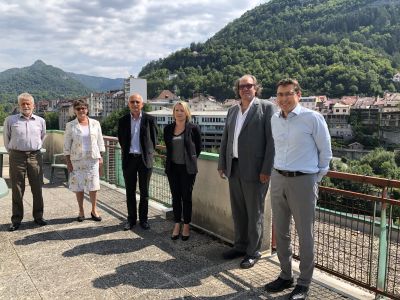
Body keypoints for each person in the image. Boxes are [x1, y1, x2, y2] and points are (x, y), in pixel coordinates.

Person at [264, 78, 332, 300]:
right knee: (280, 231)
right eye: (280, 95)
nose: (283, 99)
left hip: (303, 181)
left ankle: (303, 283)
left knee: (305, 234)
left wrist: (314, 179)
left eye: (288, 94)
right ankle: (285, 275)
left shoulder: (313, 118)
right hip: (278, 177)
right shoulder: (274, 119)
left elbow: (325, 154)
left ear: (298, 94)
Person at [218, 74, 275, 269]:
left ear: (256, 87)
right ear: (238, 89)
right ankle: (240, 246)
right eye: (242, 86)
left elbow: (271, 142)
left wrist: (266, 169)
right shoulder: (233, 110)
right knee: (239, 211)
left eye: (249, 85)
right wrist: (222, 163)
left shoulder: (266, 108)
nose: (245, 89)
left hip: (256, 170)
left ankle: (253, 251)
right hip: (233, 167)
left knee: (254, 212)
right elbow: (225, 139)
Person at [3, 92, 47, 231]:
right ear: (19, 105)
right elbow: (6, 139)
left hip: (35, 156)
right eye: (23, 103)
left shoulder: (40, 121)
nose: (26, 106)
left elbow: (43, 137)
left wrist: (35, 148)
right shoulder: (10, 120)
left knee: (37, 187)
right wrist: (13, 153)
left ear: (33, 106)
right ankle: (16, 220)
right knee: (17, 188)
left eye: (28, 103)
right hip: (17, 156)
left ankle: (38, 217)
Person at [118, 93, 158, 230]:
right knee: (130, 191)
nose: (135, 104)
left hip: (144, 160)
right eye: (132, 102)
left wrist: (148, 154)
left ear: (142, 104)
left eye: (137, 102)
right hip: (129, 160)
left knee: (144, 192)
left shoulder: (150, 119)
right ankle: (131, 220)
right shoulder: (122, 120)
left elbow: (154, 139)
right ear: (128, 104)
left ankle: (144, 220)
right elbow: (121, 139)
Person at [164, 101, 201, 241]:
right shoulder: (168, 129)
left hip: (188, 169)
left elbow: (197, 149)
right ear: (173, 113)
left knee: (186, 197)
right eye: (176, 110)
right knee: (175, 197)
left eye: (181, 110)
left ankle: (186, 225)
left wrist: (189, 161)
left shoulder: (193, 128)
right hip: (172, 168)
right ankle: (177, 224)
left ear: (186, 112)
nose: (179, 113)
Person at [64, 99, 105, 222]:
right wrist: (68, 161)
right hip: (77, 160)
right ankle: (81, 210)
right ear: (75, 111)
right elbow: (66, 145)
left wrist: (100, 155)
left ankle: (94, 210)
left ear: (87, 109)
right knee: (79, 186)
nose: (81, 110)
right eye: (78, 108)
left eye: (83, 108)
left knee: (94, 186)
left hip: (92, 159)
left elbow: (100, 140)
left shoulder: (95, 123)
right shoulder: (70, 125)